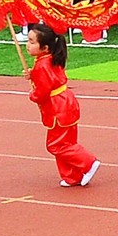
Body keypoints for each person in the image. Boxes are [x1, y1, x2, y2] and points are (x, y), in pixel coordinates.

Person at [23, 29, 98, 188]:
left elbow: (43, 91)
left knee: (56, 145)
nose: (27, 45)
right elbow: (51, 77)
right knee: (66, 142)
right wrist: (33, 75)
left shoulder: (42, 64)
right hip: (65, 103)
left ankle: (88, 162)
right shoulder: (49, 59)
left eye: (32, 42)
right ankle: (72, 176)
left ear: (45, 48)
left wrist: (33, 95)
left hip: (58, 107)